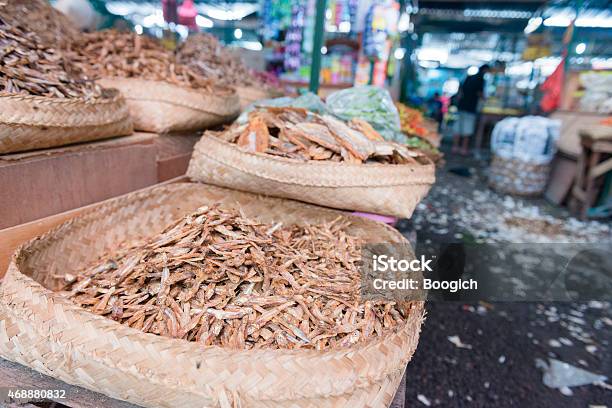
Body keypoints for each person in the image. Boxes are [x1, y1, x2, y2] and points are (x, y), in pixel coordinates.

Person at [452, 64, 490, 155]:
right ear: (485, 70)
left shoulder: (469, 77)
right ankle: (464, 149)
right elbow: (480, 93)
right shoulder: (481, 79)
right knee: (467, 129)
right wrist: (486, 100)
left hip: (461, 106)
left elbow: (460, 90)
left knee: (458, 128)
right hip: (470, 108)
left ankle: (455, 147)